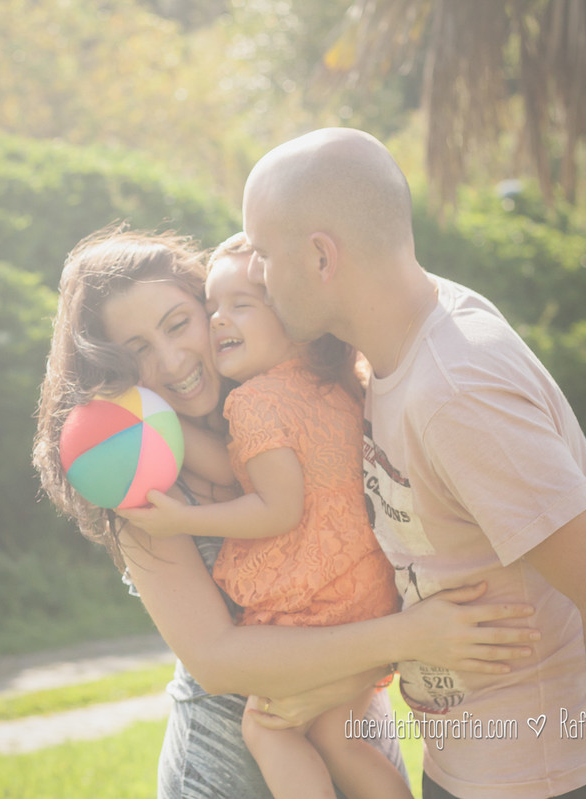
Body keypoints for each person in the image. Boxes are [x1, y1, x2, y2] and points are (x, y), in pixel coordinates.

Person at [33, 225, 543, 799]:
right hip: (227, 771)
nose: (173, 360)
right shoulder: (145, 484)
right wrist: (409, 637)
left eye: (180, 324)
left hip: (351, 733)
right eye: (138, 351)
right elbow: (220, 661)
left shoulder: (313, 391)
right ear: (115, 371)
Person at [241, 128, 586, 799]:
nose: (256, 275)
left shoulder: (457, 390)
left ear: (323, 257)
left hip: (542, 779)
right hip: (465, 768)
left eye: (264, 254)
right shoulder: (395, 339)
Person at [116, 233, 410, 799]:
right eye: (214, 309)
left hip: (316, 605)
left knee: (268, 728)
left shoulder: (251, 401)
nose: (220, 320)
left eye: (186, 322)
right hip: (367, 595)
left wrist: (183, 520)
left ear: (291, 313)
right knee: (340, 738)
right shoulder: (343, 382)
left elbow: (276, 505)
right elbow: (233, 470)